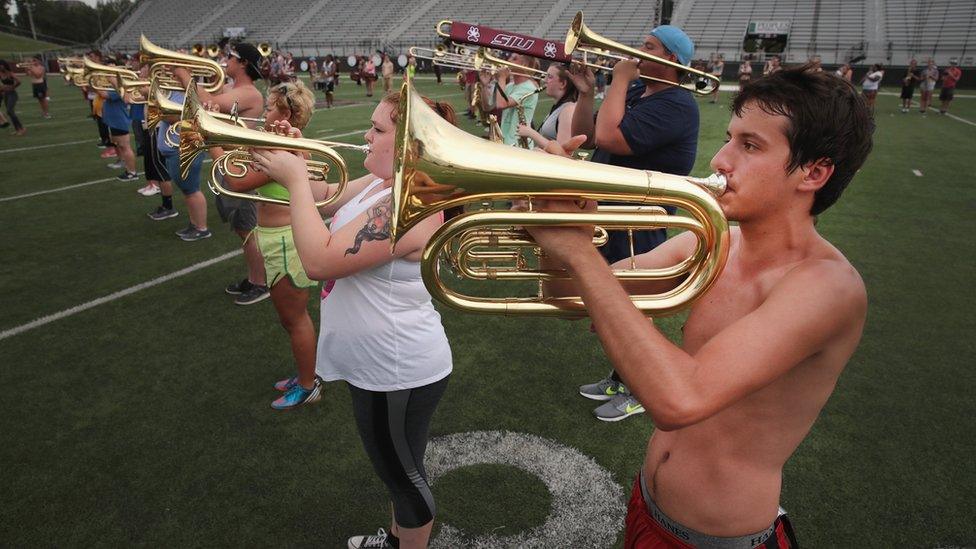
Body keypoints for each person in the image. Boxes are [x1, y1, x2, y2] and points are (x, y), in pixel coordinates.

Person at [526, 65, 874, 549]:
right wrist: (558, 229)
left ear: (813, 173)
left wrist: (582, 254)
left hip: (715, 539)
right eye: (730, 138)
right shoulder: (715, 242)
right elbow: (571, 294)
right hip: (647, 504)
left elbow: (679, 400)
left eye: (749, 146)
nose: (720, 159)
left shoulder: (827, 287)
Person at [250, 89, 456, 549]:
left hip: (397, 367)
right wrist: (294, 159)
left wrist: (294, 181)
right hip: (385, 362)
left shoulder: (409, 201)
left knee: (404, 479)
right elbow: (324, 199)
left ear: (407, 146)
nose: (365, 136)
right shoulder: (387, 183)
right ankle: (397, 540)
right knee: (398, 470)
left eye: (378, 129)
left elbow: (320, 259)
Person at [568, 25, 700, 421]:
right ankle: (620, 376)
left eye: (648, 47)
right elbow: (584, 135)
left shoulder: (677, 104)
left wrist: (620, 80)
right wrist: (589, 93)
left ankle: (643, 387)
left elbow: (610, 138)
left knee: (635, 304)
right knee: (618, 298)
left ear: (671, 60)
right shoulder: (642, 92)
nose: (636, 51)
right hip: (613, 212)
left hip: (639, 218)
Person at [211, 80, 323, 409]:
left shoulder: (284, 147)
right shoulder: (274, 141)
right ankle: (306, 373)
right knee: (290, 318)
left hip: (287, 240)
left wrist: (212, 141)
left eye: (272, 106)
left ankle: (308, 384)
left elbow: (237, 180)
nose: (266, 111)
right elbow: (242, 162)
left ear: (287, 112)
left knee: (295, 317)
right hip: (277, 238)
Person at [173, 42, 270, 304]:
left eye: (231, 57)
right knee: (241, 229)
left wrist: (183, 72)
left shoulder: (250, 93)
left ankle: (261, 283)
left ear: (243, 64)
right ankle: (253, 277)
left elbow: (206, 102)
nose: (225, 60)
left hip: (241, 166)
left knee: (248, 229)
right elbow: (202, 105)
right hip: (226, 164)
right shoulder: (230, 88)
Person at [480, 53, 540, 147]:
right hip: (506, 141)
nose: (508, 60)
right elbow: (487, 107)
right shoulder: (509, 86)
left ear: (524, 65)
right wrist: (484, 85)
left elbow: (501, 104)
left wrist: (502, 78)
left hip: (519, 143)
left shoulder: (529, 87)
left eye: (514, 59)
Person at [516, 63, 578, 148]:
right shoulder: (559, 106)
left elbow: (562, 151)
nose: (545, 80)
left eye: (550, 77)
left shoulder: (568, 110)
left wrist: (530, 132)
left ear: (563, 84)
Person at [95, 67, 139, 181]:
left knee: (125, 147)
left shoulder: (119, 87)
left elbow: (104, 95)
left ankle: (132, 172)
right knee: (118, 145)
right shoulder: (115, 86)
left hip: (119, 120)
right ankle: (122, 163)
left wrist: (97, 82)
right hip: (112, 120)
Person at [0, 61, 26, 136]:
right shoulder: (0, 73)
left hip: (12, 94)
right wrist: (2, 88)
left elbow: (19, 81)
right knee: (9, 112)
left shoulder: (10, 73)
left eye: (1, 65)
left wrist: (13, 87)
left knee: (9, 110)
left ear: (4, 66)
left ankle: (21, 128)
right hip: (5, 94)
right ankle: (17, 129)